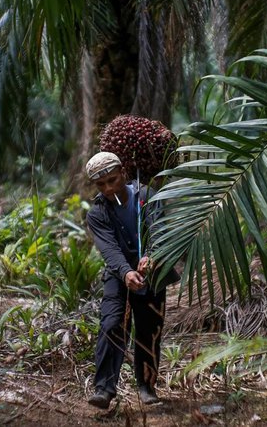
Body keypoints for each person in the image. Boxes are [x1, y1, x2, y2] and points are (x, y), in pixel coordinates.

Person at [84, 151, 180, 409]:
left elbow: (159, 230)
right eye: (101, 184)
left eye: (112, 180)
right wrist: (126, 272)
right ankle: (104, 389)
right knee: (112, 323)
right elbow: (109, 249)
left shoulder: (147, 196)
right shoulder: (97, 213)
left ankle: (147, 388)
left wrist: (150, 256)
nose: (108, 188)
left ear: (123, 173)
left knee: (149, 330)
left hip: (153, 272)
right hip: (118, 275)